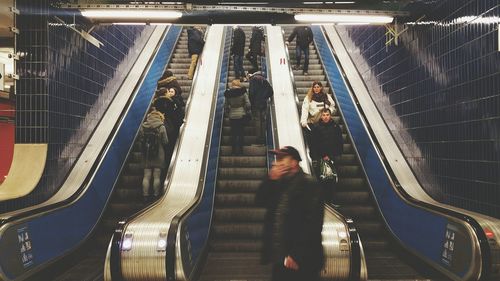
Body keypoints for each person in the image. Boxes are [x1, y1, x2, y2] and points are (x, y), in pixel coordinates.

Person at [256, 146, 324, 281]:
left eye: (282, 158)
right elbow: (259, 201)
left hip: (301, 258)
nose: (277, 162)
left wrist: (296, 254)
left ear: (294, 162)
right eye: (276, 158)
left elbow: (313, 224)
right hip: (281, 255)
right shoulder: (279, 182)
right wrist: (270, 180)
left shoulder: (309, 184)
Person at [311, 108, 344, 201]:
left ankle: (332, 199)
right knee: (323, 179)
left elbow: (339, 141)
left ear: (330, 116)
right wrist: (321, 156)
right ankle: (323, 200)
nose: (325, 117)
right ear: (321, 116)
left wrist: (338, 154)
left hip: (334, 157)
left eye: (327, 115)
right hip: (321, 158)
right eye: (324, 115)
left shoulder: (335, 126)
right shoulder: (316, 127)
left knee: (333, 179)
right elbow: (314, 144)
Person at [138, 110, 168, 201]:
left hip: (146, 154)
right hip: (158, 154)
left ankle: (145, 196)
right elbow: (165, 141)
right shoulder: (161, 126)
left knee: (146, 176)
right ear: (160, 117)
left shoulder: (143, 126)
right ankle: (156, 195)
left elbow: (140, 140)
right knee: (156, 176)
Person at [224, 79, 251, 155]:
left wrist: (227, 113)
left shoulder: (228, 94)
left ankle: (233, 151)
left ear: (232, 85)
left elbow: (225, 106)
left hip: (232, 116)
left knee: (233, 133)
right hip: (241, 115)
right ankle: (241, 151)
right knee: (241, 133)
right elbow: (248, 104)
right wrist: (246, 109)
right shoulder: (243, 92)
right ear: (239, 84)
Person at [248, 71, 273, 143]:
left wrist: (252, 102)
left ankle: (259, 139)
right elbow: (271, 92)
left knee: (257, 120)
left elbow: (251, 93)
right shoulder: (265, 81)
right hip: (263, 103)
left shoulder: (253, 80)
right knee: (263, 120)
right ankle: (264, 137)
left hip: (256, 104)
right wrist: (265, 97)